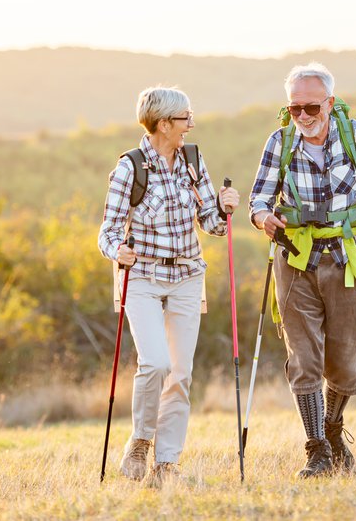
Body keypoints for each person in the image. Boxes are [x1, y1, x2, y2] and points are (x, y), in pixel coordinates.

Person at [248, 62, 356, 478]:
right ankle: (316, 447)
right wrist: (263, 218)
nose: (302, 116)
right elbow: (259, 199)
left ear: (330, 103)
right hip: (296, 260)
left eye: (311, 108)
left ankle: (334, 429)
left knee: (343, 359)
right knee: (303, 357)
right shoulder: (279, 141)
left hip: (348, 258)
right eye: (294, 107)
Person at [98, 86, 239, 485]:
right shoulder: (131, 167)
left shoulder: (193, 161)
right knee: (156, 363)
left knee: (180, 373)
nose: (190, 126)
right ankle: (140, 441)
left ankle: (166, 464)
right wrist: (117, 252)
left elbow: (211, 224)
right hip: (141, 276)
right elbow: (107, 232)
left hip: (187, 276)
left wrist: (224, 207)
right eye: (185, 119)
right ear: (164, 124)